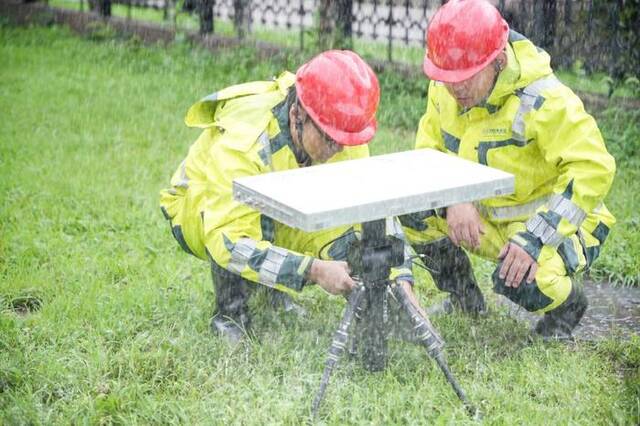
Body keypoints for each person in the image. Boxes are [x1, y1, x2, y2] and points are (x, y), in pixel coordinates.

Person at [160, 50, 416, 343]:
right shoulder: (245, 144)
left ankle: (273, 294)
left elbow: (374, 206)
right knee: (253, 221)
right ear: (297, 115)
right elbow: (229, 242)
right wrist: (313, 270)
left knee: (344, 231)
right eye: (331, 141)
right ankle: (230, 315)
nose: (341, 151)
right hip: (198, 211)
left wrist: (402, 278)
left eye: (349, 141)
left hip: (275, 204)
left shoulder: (339, 123)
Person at [399, 0, 616, 339]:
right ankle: (466, 300)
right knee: (413, 210)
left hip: (553, 224)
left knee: (522, 279)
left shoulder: (544, 99)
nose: (455, 88)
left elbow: (593, 167)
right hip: (486, 220)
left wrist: (535, 238)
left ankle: (566, 308)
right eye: (447, 77)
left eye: (466, 77)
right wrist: (454, 198)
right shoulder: (447, 87)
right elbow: (429, 154)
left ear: (498, 61)